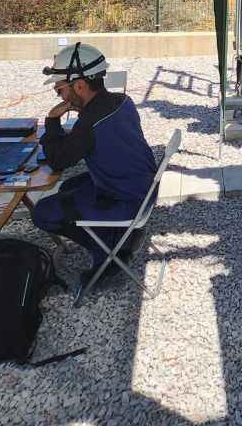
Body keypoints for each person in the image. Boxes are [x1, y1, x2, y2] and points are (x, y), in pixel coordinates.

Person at [31, 42, 158, 287]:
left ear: (80, 85)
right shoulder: (123, 100)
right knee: (68, 186)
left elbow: (58, 161)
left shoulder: (90, 123)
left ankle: (107, 254)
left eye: (60, 91)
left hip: (126, 199)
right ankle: (115, 238)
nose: (61, 96)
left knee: (42, 212)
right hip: (143, 188)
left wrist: (52, 120)